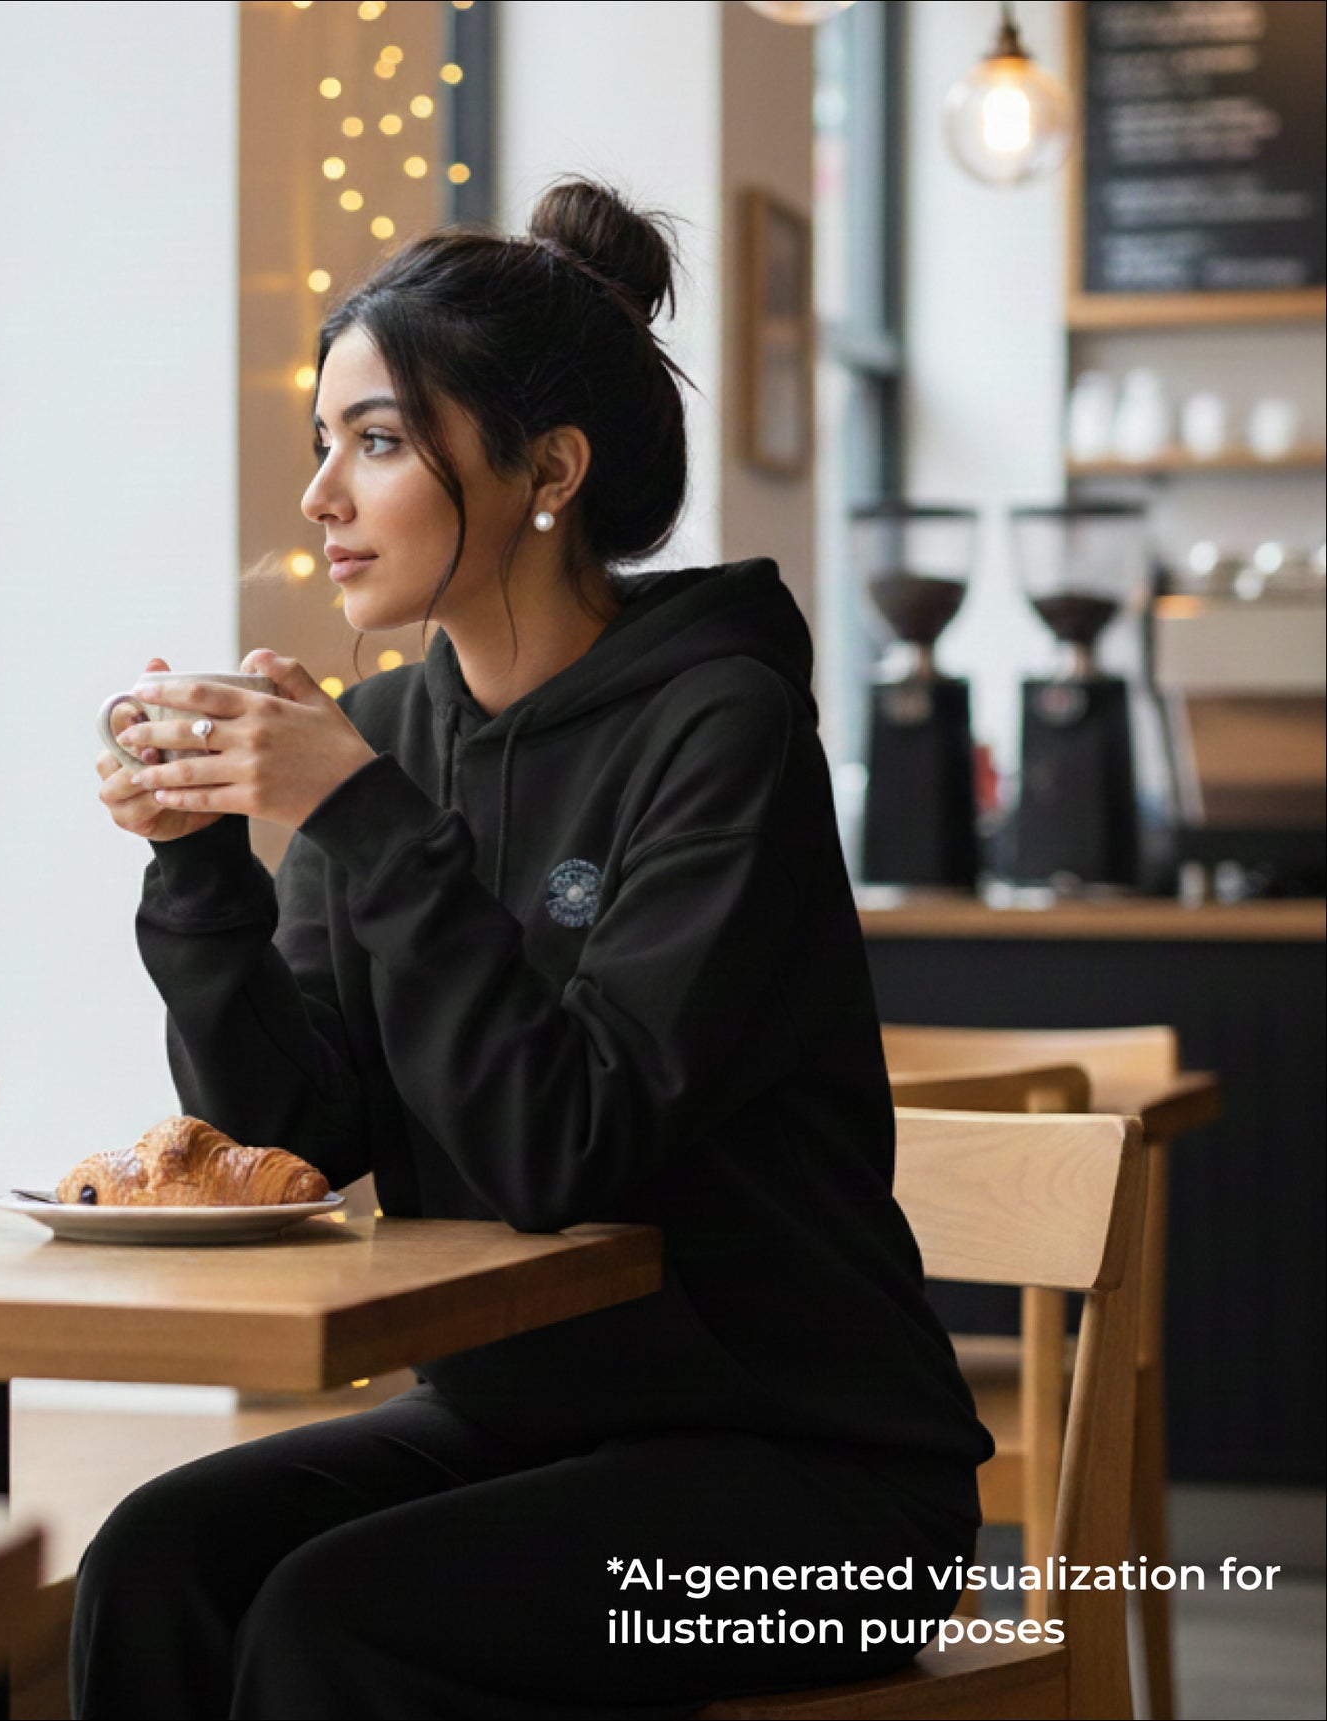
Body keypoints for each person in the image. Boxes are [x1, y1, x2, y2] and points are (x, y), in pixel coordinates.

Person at [79, 179, 992, 1720]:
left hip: (818, 1486)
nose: (319, 498)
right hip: (526, 1422)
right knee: (157, 1557)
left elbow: (573, 1143)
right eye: (325, 442)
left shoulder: (725, 729)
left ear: (546, 470)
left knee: (338, 1620)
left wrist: (360, 822)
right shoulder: (383, 733)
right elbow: (298, 1137)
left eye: (374, 441)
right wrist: (197, 864)